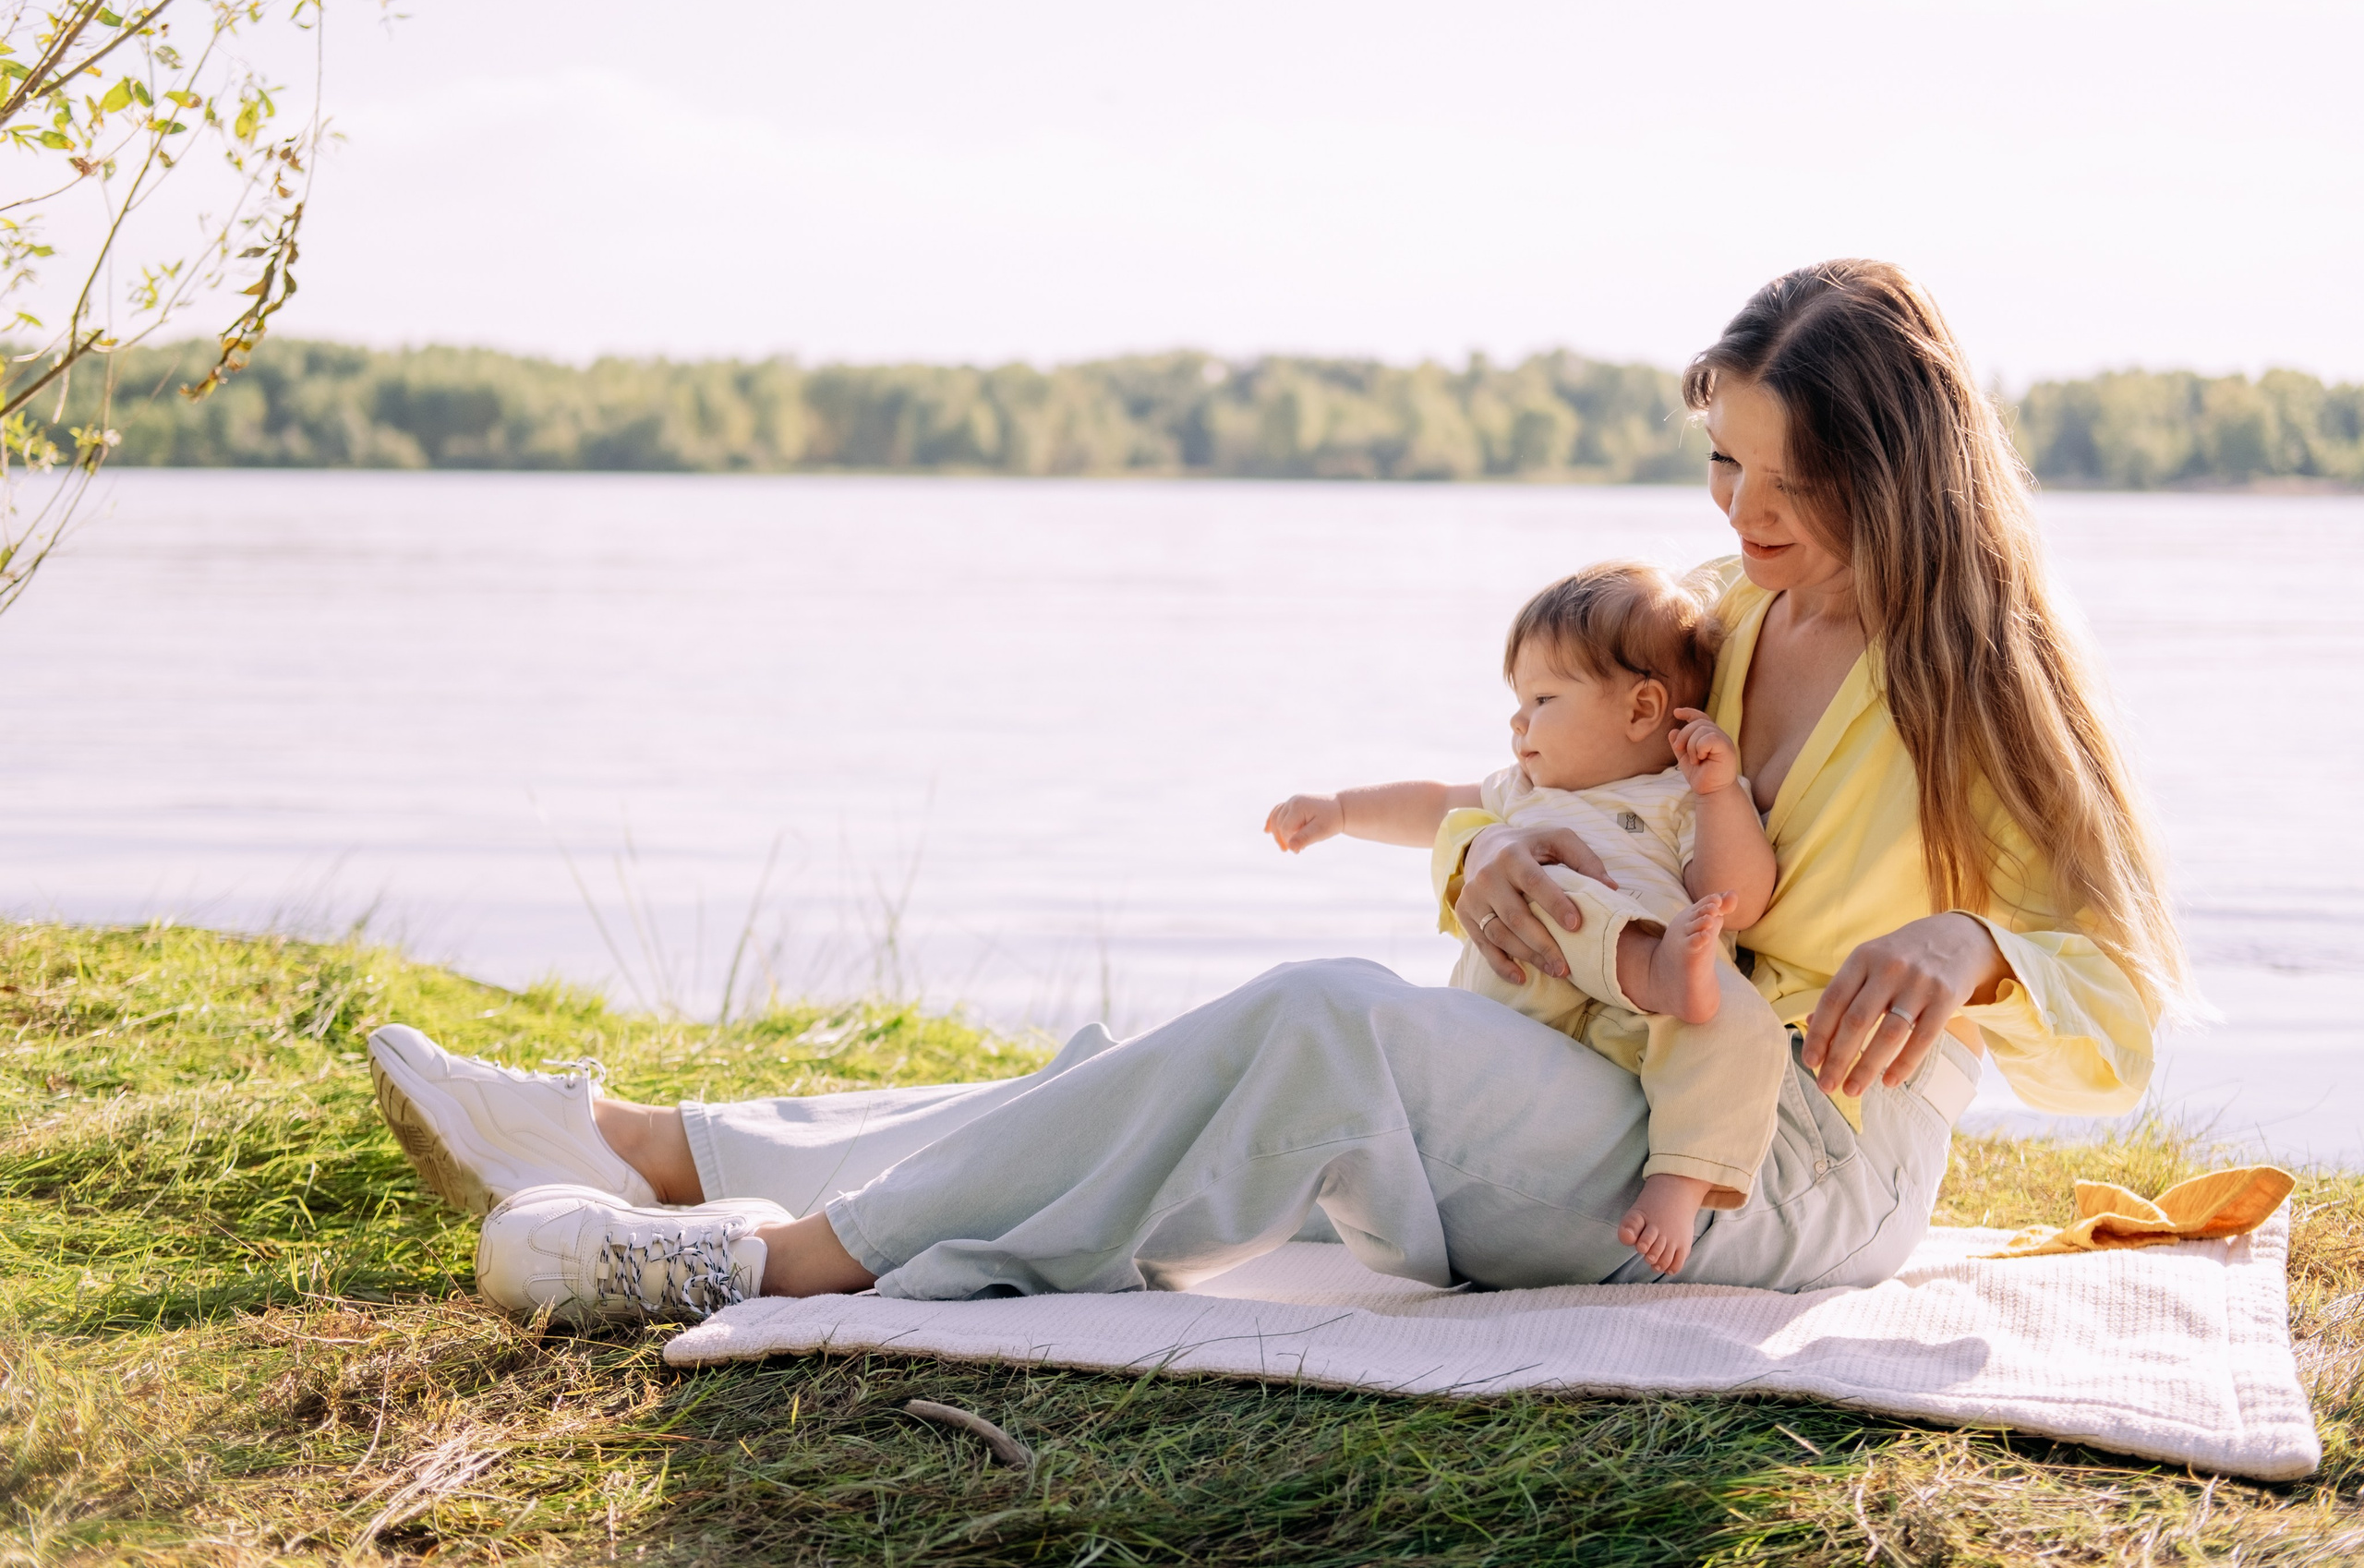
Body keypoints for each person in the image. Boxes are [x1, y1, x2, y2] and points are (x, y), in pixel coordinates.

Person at [368, 259, 2189, 1324]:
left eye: (1781, 487)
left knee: (1318, 1029)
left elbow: (2120, 1019)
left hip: (1772, 1173)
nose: (1737, 521)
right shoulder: (1718, 626)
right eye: (1721, 470)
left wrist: (1971, 946)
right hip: (1600, 1078)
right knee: (1195, 1066)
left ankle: (771, 1262)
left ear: (1898, 469)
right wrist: (1477, 859)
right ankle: (663, 1149)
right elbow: (1557, 792)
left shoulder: (1987, 686)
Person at [1260, 560, 1790, 1275]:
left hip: (1639, 1021)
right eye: (1518, 698)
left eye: (1542, 697)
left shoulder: (1678, 798)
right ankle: (1648, 968)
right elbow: (1431, 803)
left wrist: (1722, 792)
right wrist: (1343, 811)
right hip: (1524, 993)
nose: (1517, 721)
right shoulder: (1519, 791)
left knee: (1738, 1027)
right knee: (1557, 897)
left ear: (1640, 709)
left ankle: (1679, 1182)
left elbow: (1737, 895)